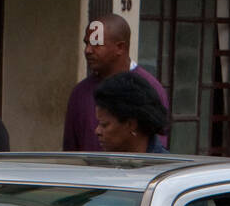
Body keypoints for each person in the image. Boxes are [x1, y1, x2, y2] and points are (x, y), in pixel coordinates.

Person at [64, 14, 169, 152]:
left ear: (120, 47)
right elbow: (70, 150)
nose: (88, 50)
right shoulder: (80, 92)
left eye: (96, 44)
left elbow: (153, 150)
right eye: (86, 43)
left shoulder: (148, 89)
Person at [93, 72, 170, 154]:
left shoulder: (167, 165)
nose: (97, 131)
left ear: (131, 124)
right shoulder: (103, 163)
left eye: (104, 125)